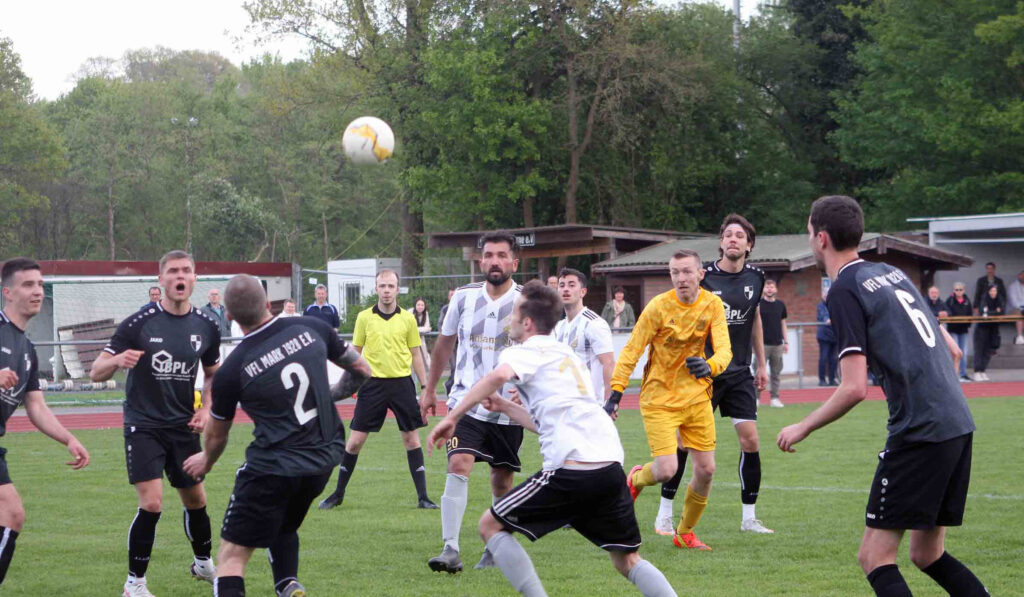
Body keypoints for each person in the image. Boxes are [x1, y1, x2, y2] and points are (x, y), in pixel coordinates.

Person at [778, 195, 987, 597]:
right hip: (957, 422)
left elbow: (855, 387)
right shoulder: (890, 272)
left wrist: (802, 426)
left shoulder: (843, 290)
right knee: (928, 554)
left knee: (874, 557)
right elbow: (953, 349)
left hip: (921, 431)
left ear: (821, 238)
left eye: (808, 233)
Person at [427, 281, 678, 597]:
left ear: (528, 322)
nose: (510, 320)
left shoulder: (527, 349)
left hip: (572, 470)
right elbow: (543, 423)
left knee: (489, 526)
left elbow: (496, 376)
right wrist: (504, 405)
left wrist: (451, 416)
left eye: (515, 313)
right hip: (610, 465)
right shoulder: (567, 355)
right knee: (626, 559)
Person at [181, 275, 372, 597]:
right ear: (269, 305)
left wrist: (206, 460)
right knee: (283, 525)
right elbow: (362, 371)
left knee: (230, 558)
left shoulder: (233, 368)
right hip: (323, 460)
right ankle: (288, 584)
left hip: (274, 467)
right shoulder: (313, 327)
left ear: (228, 315)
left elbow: (217, 435)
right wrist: (327, 396)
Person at [90, 250, 222, 597]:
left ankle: (204, 564)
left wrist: (207, 409)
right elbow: (95, 371)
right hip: (143, 425)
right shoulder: (138, 323)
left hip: (183, 427)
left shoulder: (207, 325)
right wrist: (118, 359)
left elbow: (212, 376)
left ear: (194, 279)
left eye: (187, 270)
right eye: (173, 271)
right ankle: (135, 584)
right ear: (161, 279)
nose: (181, 276)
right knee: (152, 503)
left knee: (196, 499)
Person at [605, 249, 731, 551]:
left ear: (701, 274)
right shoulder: (658, 307)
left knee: (707, 470)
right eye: (675, 272)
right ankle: (636, 480)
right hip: (659, 398)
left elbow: (725, 351)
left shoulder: (712, 304)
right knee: (665, 471)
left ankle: (684, 533)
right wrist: (616, 392)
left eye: (687, 271)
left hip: (697, 396)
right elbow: (632, 350)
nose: (681, 278)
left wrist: (710, 365)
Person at [657, 214, 772, 537]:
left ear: (749, 245)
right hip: (703, 374)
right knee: (682, 442)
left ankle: (749, 518)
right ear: (721, 242)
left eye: (740, 236)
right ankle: (664, 512)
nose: (733, 239)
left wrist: (761, 364)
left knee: (750, 440)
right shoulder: (703, 277)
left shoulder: (757, 277)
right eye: (728, 235)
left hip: (738, 373)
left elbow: (755, 319)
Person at [419, 232, 524, 574]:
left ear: (513, 263)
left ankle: (495, 546)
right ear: (481, 261)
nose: (495, 261)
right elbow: (443, 347)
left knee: (501, 479)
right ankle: (450, 548)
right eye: (489, 255)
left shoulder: (527, 302)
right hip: (464, 403)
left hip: (507, 408)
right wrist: (429, 390)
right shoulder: (462, 299)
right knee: (459, 462)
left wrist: (528, 388)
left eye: (502, 255)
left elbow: (540, 351)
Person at [0, 258, 91, 588]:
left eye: (40, 285)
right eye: (28, 285)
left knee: (11, 515)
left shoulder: (27, 348)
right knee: (11, 513)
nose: (37, 291)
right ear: (7, 292)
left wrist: (68, 438)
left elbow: (35, 406)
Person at [318, 271, 437, 510]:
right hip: (372, 385)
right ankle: (338, 494)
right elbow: (355, 352)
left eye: (390, 286)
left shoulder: (408, 319)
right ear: (376, 288)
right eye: (382, 285)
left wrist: (425, 387)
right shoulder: (364, 318)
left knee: (411, 439)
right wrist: (346, 384)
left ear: (397, 289)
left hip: (402, 383)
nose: (386, 290)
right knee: (354, 443)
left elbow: (416, 354)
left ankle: (423, 497)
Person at [553, 268, 615, 403]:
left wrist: (610, 401)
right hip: (563, 404)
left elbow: (609, 363)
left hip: (589, 405)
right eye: (562, 285)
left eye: (571, 285)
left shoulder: (594, 323)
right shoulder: (558, 327)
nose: (566, 289)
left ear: (583, 292)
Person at [758, 278, 788, 407]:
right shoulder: (758, 304)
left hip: (777, 344)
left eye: (772, 287)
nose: (770, 289)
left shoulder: (780, 305)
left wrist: (786, 342)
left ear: (776, 289)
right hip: (762, 345)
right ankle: (756, 398)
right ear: (764, 289)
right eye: (767, 287)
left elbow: (783, 323)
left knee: (776, 373)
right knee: (758, 372)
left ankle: (774, 398)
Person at [972, 285, 1003, 382]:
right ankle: (977, 371)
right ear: (988, 291)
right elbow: (984, 313)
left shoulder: (999, 299)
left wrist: (992, 312)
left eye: (995, 291)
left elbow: (1002, 312)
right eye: (991, 291)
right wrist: (995, 312)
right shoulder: (984, 299)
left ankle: (983, 370)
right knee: (979, 350)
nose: (993, 293)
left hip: (993, 329)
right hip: (982, 329)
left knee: (988, 351)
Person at [944, 282, 973, 382]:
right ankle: (954, 375)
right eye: (956, 290)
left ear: (963, 290)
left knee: (964, 353)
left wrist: (968, 324)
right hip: (953, 330)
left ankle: (963, 374)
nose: (958, 291)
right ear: (953, 290)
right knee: (955, 353)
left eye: (960, 290)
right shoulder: (950, 300)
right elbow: (948, 312)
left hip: (963, 330)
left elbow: (970, 313)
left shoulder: (967, 301)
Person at [436, 288, 457, 397]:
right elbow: (440, 324)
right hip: (450, 344)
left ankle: (453, 388)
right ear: (449, 297)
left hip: (461, 343)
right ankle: (449, 385)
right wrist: (445, 337)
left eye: (455, 294)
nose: (453, 297)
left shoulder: (462, 307)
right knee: (454, 367)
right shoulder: (445, 309)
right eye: (451, 295)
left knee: (460, 368)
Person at [817, 292, 838, 386]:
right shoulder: (821, 306)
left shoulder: (836, 305)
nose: (826, 297)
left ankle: (832, 379)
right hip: (824, 336)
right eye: (825, 295)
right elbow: (826, 319)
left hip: (835, 335)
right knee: (823, 358)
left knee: (834, 359)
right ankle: (822, 380)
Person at [410, 296, 433, 372]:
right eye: (418, 304)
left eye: (422, 305)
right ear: (415, 305)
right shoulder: (410, 312)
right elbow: (409, 328)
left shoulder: (425, 314)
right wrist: (421, 329)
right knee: (411, 362)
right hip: (410, 341)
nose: (420, 307)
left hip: (421, 339)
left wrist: (416, 329)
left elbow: (427, 327)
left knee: (426, 359)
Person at [1008, 269, 1024, 344]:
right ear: (1019, 276)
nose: (1023, 277)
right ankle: (1019, 336)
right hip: (1014, 309)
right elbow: (1013, 302)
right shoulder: (1013, 286)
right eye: (1022, 275)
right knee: (1019, 313)